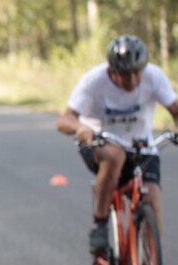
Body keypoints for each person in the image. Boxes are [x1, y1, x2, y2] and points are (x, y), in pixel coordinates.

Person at [57, 35, 178, 253]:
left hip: (142, 146)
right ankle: (101, 225)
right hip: (99, 142)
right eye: (124, 74)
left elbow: (176, 110)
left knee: (152, 197)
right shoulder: (94, 81)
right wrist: (80, 128)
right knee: (115, 156)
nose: (131, 80)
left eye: (136, 72)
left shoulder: (154, 76)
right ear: (112, 70)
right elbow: (64, 119)